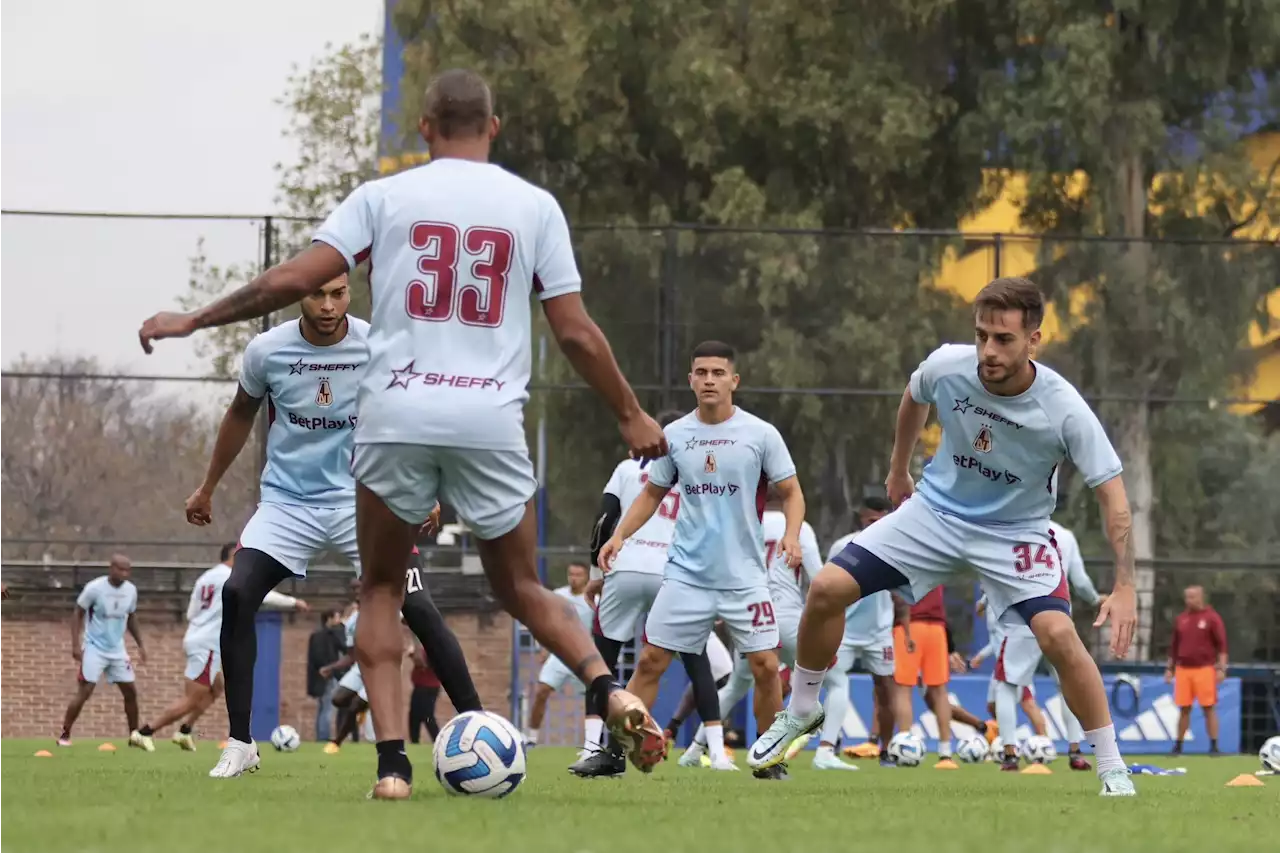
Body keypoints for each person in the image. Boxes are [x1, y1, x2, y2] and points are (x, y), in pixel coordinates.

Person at [140, 68, 667, 799]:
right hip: (488, 419)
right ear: (495, 126)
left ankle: (392, 766)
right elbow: (575, 331)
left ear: (424, 127)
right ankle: (610, 691)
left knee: (381, 586)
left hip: (394, 417)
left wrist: (194, 319)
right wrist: (631, 413)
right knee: (518, 584)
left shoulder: (383, 198)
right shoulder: (533, 207)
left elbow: (293, 279)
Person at [748, 277, 1139, 797]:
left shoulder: (1063, 407)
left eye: (1003, 339)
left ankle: (1111, 765)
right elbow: (914, 397)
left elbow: (1114, 497)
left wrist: (1127, 584)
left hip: (1015, 532)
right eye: (981, 336)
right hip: (933, 514)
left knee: (1059, 637)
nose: (988, 350)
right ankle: (800, 710)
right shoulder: (948, 366)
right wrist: (899, 471)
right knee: (825, 590)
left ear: (1034, 341)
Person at [599, 341, 806, 780]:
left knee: (767, 667)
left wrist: (791, 536)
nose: (709, 379)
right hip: (687, 576)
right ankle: (614, 753)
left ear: (734, 380)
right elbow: (652, 494)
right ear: (690, 380)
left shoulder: (761, 434)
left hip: (746, 577)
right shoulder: (674, 436)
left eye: (717, 372)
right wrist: (619, 535)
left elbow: (791, 492)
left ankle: (768, 759)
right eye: (700, 372)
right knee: (651, 661)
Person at [569, 411, 693, 779]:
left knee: (601, 660)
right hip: (675, 574)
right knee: (704, 665)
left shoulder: (626, 470)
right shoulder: (692, 474)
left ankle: (595, 746)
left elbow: (604, 520)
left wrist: (596, 574)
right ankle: (714, 747)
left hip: (624, 569)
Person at [680, 493, 824, 770]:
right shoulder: (798, 527)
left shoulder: (744, 524)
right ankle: (821, 748)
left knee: (737, 686)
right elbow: (818, 577)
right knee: (834, 677)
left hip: (750, 615)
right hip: (787, 616)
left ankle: (695, 750)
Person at [135, 543, 308, 751]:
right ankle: (145, 732)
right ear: (235, 555)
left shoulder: (207, 577)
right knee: (192, 698)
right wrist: (293, 602)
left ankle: (185, 730)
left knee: (216, 689)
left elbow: (191, 613)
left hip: (198, 637)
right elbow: (262, 595)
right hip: (207, 643)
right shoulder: (231, 576)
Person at [818, 498, 897, 769]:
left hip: (880, 632)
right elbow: (826, 585)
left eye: (880, 520)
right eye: (870, 520)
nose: (875, 525)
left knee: (886, 690)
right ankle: (831, 743)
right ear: (861, 519)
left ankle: (886, 750)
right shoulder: (843, 547)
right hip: (845, 630)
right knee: (834, 685)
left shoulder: (895, 545)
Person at [58, 555, 147, 747]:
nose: (124, 574)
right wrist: (75, 644)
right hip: (94, 647)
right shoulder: (94, 588)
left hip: (117, 649)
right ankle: (64, 734)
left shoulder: (131, 590)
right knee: (86, 691)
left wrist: (140, 644)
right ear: (111, 568)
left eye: (127, 570)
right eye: (120, 569)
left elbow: (131, 616)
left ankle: (134, 736)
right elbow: (78, 613)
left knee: (130, 691)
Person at [524, 561, 595, 747]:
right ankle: (531, 738)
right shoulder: (558, 596)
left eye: (578, 575)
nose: (574, 578)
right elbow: (545, 624)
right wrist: (544, 647)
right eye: (571, 574)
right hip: (561, 654)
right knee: (542, 691)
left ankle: (595, 742)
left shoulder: (594, 599)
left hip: (586, 656)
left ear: (586, 576)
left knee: (595, 699)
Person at [1166, 584, 1227, 756]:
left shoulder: (1211, 618)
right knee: (1184, 709)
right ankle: (1178, 746)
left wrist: (1221, 668)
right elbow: (1174, 646)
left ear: (1201, 597)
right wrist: (1170, 669)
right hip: (1184, 669)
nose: (1189, 600)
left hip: (1204, 669)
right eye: (1187, 597)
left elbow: (1222, 645)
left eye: (1193, 597)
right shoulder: (1182, 619)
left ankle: (1214, 746)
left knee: (1209, 707)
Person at [308, 608, 347, 743]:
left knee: (323, 707)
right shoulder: (327, 635)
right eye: (336, 617)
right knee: (327, 708)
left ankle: (321, 735)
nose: (338, 620)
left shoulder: (319, 635)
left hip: (323, 677)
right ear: (329, 619)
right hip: (327, 677)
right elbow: (344, 646)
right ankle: (323, 737)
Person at [408, 644, 442, 744]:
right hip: (420, 686)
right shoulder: (424, 648)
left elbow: (421, 662)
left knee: (427, 715)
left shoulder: (435, 650)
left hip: (429, 687)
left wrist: (414, 654)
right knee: (414, 715)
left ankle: (438, 741)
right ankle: (414, 742)